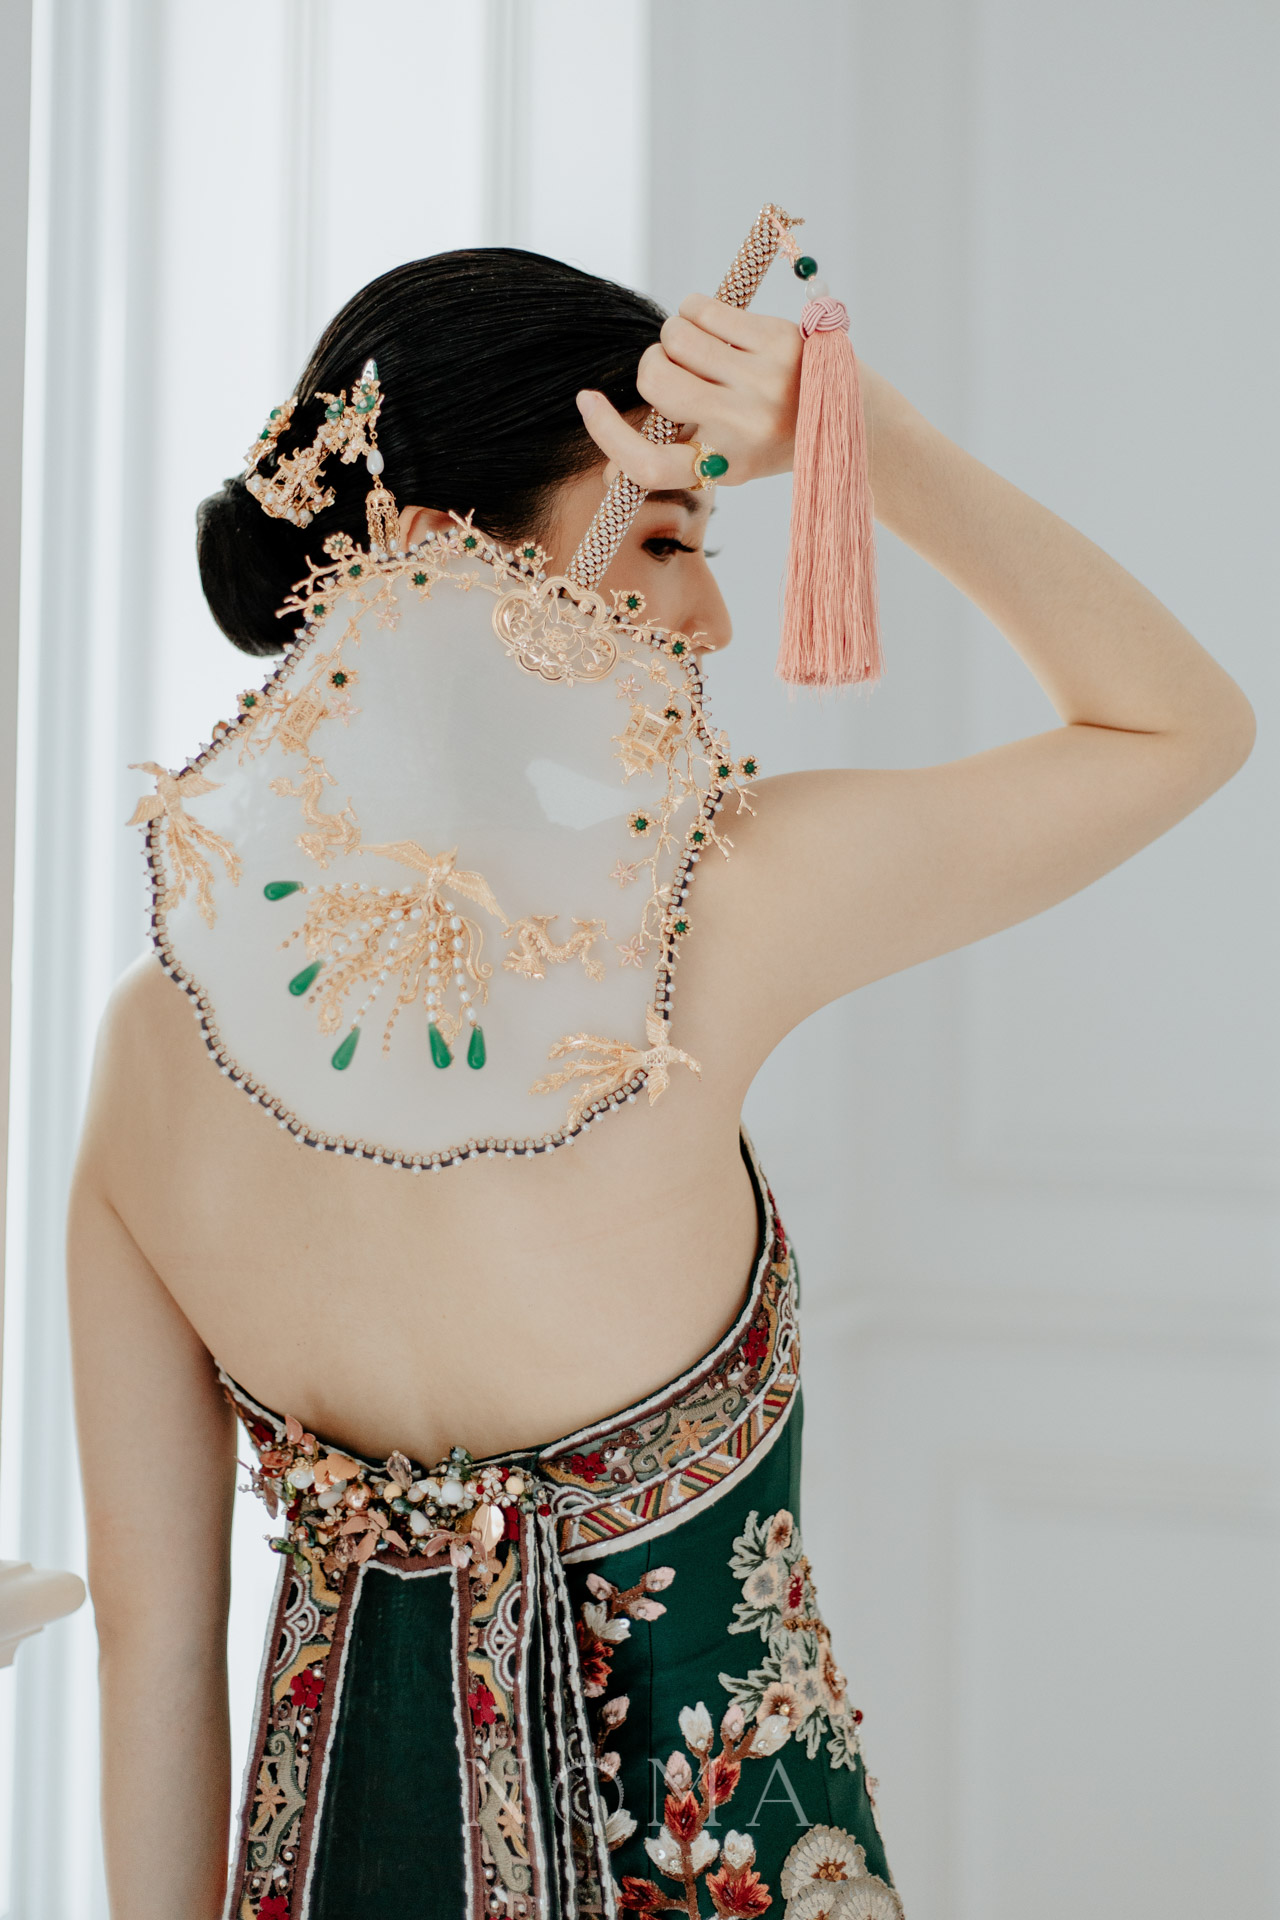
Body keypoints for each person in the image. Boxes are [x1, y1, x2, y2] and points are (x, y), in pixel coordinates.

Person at [67, 243, 1253, 1920]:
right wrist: (865, 440)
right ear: (436, 553)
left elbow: (154, 1647)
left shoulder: (150, 1047)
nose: (712, 622)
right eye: (671, 539)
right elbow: (1179, 728)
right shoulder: (721, 909)